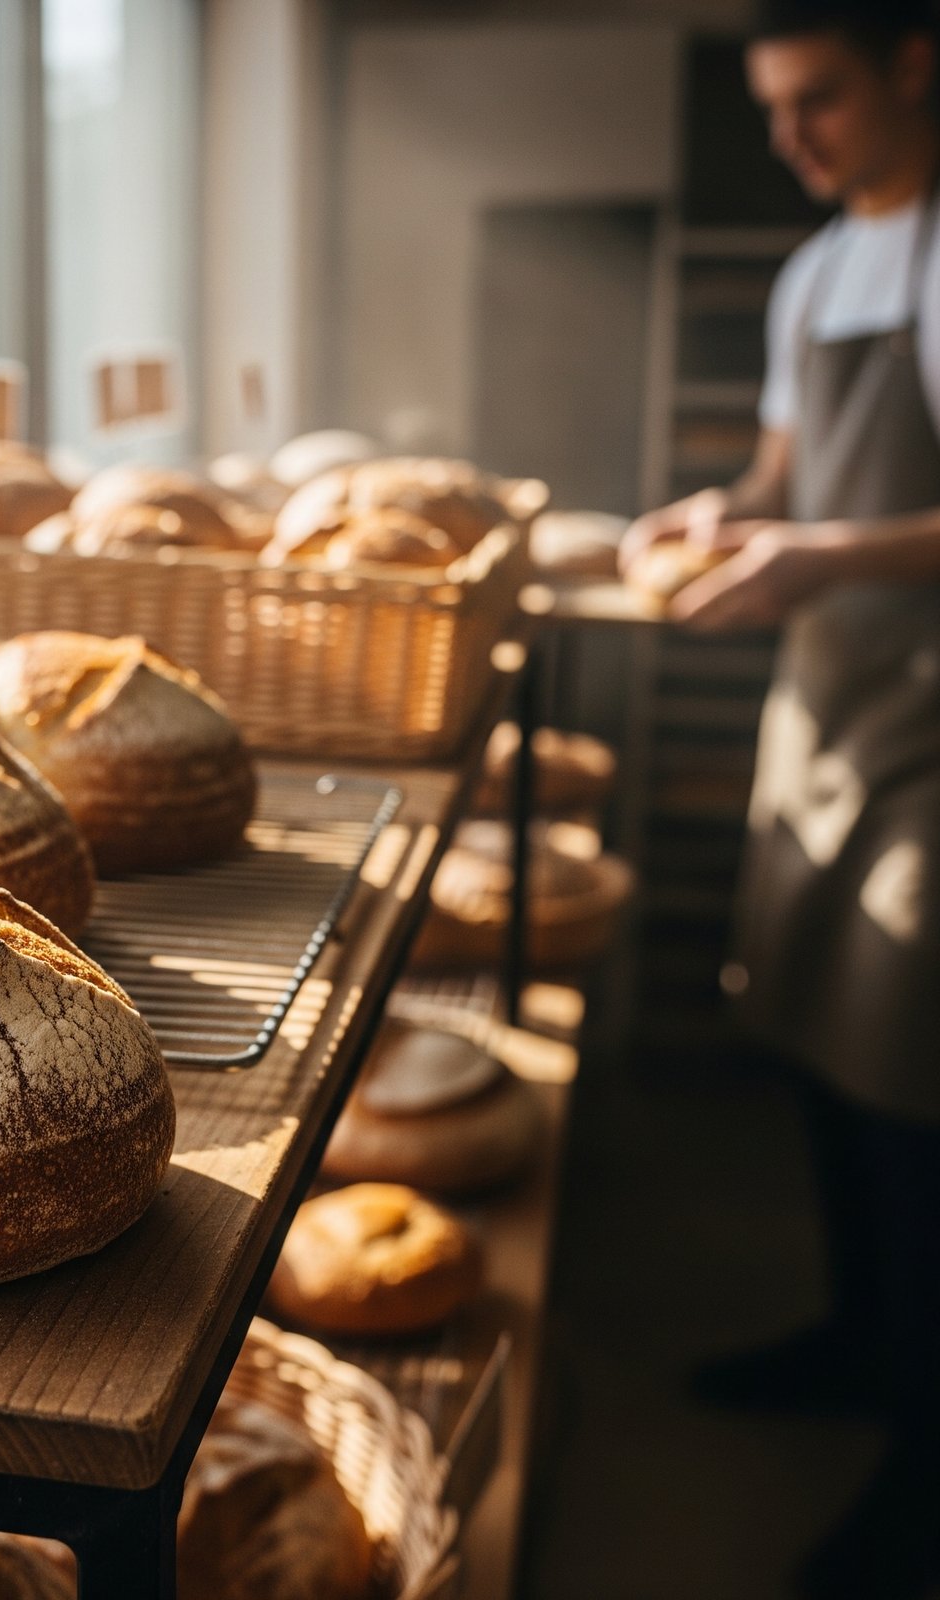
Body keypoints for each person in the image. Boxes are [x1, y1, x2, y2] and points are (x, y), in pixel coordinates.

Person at [621, 1, 940, 1594]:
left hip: (936, 729)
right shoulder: (822, 273)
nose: (793, 138)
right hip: (834, 710)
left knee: (916, 1081)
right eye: (772, 110)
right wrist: (720, 516)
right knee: (823, 1034)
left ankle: (926, 1468)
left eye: (817, 98)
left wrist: (817, 555)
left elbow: (856, 524)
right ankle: (863, 1343)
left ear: (914, 65)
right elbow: (784, 479)